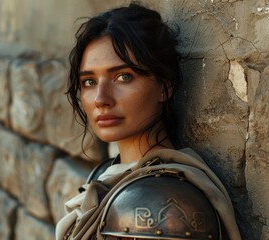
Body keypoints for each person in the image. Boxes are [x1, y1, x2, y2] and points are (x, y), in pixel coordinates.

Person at [56, 2, 242, 240]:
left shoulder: (162, 204)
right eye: (89, 82)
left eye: (123, 77)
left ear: (165, 86)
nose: (101, 99)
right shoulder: (105, 176)